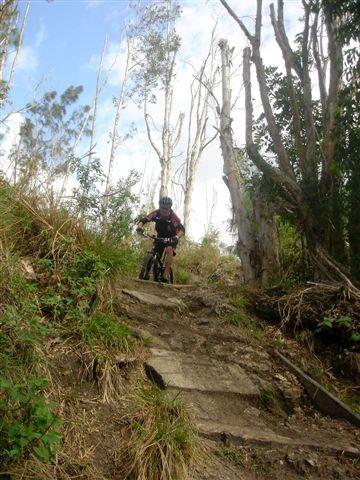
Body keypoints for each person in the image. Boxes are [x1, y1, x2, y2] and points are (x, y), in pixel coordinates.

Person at [136, 196, 185, 283]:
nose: (164, 210)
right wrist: (140, 227)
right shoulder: (156, 213)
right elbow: (144, 220)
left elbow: (182, 229)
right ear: (160, 206)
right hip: (160, 236)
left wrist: (176, 237)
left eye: (167, 208)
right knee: (156, 253)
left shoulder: (173, 217)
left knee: (169, 249)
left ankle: (166, 274)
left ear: (170, 208)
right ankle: (147, 271)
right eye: (162, 208)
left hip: (172, 238)